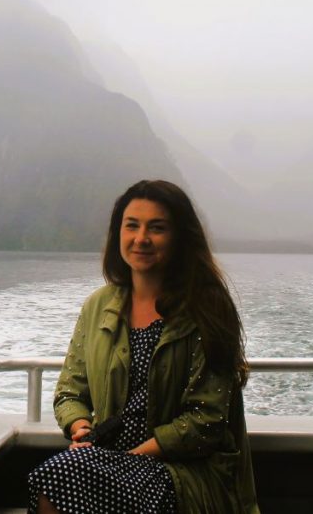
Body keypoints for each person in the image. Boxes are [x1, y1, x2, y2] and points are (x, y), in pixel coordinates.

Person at [27, 180, 259, 513]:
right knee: (52, 478)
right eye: (131, 226)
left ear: (179, 237)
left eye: (157, 228)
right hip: (110, 462)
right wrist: (81, 429)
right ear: (117, 234)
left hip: (184, 474)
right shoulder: (99, 306)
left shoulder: (207, 309)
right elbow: (69, 392)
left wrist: (126, 459)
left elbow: (206, 421)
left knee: (56, 477)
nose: (141, 239)